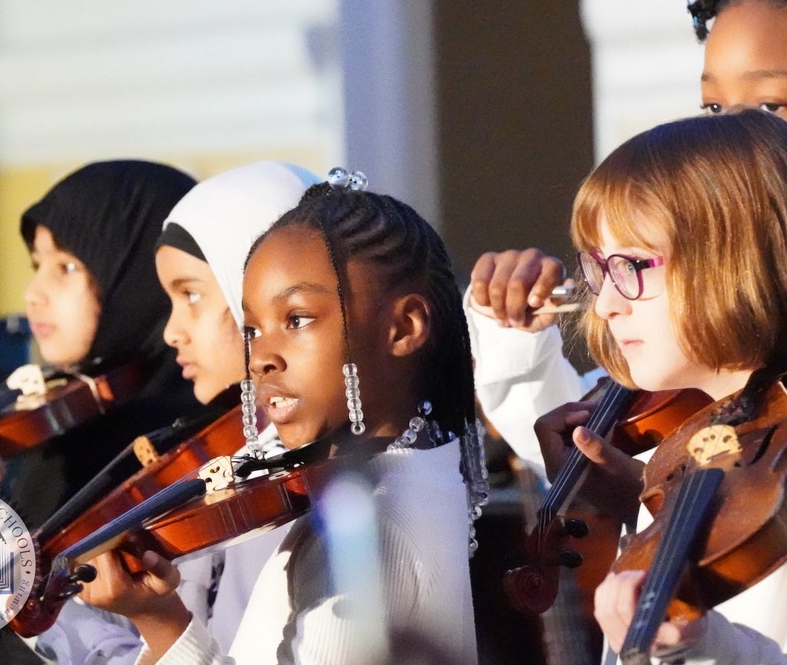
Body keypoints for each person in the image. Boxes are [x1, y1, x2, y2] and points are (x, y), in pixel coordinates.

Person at [466, 0, 787, 474]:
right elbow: (599, 444)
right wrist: (520, 341)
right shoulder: (684, 271)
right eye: (712, 107)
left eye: (770, 107)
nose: (730, 129)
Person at [77, 171, 486, 664]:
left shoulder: (368, 528)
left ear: (403, 327)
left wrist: (162, 621)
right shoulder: (409, 477)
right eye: (252, 329)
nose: (261, 358)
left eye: (297, 319)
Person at [537, 109, 787, 661]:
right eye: (598, 269)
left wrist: (701, 646)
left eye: (631, 267)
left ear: (737, 262)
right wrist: (641, 502)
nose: (603, 305)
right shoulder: (705, 433)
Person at [0, 160, 200, 664]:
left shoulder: (172, 452)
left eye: (67, 268)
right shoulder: (66, 426)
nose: (33, 293)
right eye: (38, 264)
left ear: (140, 279)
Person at [32, 160, 319, 664]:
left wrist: (156, 620)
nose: (171, 332)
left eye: (191, 296)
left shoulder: (293, 483)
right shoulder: (239, 451)